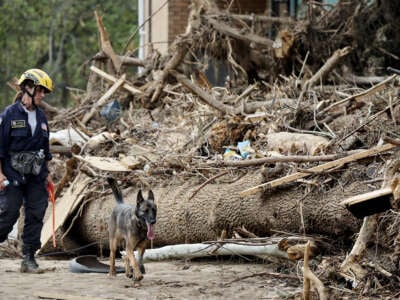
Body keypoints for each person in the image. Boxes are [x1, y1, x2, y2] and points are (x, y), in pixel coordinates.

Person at [0, 68, 53, 273]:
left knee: (36, 214)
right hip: (12, 174)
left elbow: (45, 150)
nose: (42, 95)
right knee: (8, 213)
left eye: (44, 92)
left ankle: (29, 258)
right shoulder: (9, 115)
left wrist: (47, 175)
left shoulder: (41, 118)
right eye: (40, 91)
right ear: (27, 88)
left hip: (36, 176)